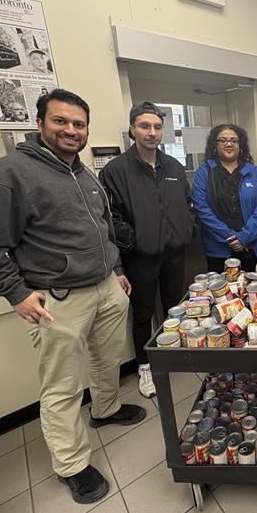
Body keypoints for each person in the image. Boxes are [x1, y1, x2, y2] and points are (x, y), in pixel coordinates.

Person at [0, 89, 145, 505]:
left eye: (79, 124)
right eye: (61, 121)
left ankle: (106, 409)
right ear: (40, 123)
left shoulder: (83, 174)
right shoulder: (8, 174)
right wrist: (15, 293)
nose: (71, 130)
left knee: (107, 358)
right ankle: (72, 465)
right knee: (61, 386)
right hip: (58, 299)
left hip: (105, 288)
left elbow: (103, 231)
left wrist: (115, 271)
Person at [99, 102, 194, 398]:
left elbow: (188, 205)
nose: (151, 132)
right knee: (141, 314)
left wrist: (187, 229)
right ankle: (144, 367)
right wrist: (138, 238)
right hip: (140, 258)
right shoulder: (116, 170)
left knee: (173, 308)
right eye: (144, 126)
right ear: (132, 129)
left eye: (156, 127)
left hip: (173, 255)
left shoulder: (174, 167)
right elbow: (108, 217)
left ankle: (170, 355)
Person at [192, 123, 257, 273]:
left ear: (240, 145)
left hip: (250, 247)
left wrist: (244, 237)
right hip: (218, 250)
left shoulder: (254, 172)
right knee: (222, 293)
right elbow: (201, 208)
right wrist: (231, 237)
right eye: (223, 140)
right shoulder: (204, 172)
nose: (229, 144)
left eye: (234, 140)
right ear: (215, 144)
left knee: (253, 291)